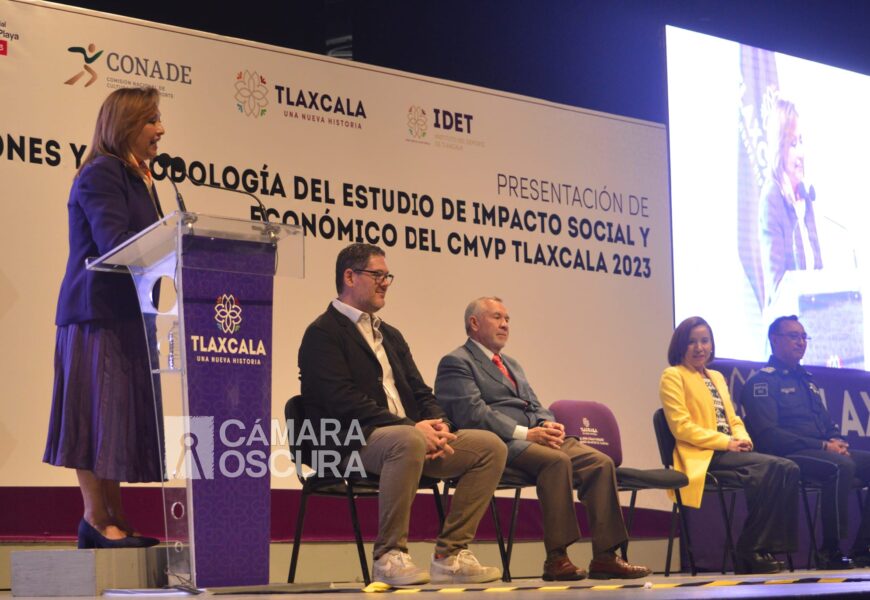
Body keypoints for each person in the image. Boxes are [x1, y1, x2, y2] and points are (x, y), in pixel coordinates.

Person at [297, 244, 506, 586]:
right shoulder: (323, 333)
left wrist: (440, 425)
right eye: (376, 275)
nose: (385, 283)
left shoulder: (390, 335)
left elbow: (420, 391)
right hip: (348, 441)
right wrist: (412, 428)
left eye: (387, 276)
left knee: (490, 447)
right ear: (349, 276)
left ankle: (450, 555)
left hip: (406, 440)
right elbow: (340, 400)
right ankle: (389, 556)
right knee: (407, 440)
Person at [434, 297, 651, 580]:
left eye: (508, 319)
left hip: (535, 436)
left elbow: (534, 403)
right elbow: (472, 414)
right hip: (502, 442)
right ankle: (557, 558)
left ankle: (606, 556)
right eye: (497, 317)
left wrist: (547, 424)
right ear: (474, 323)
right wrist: (527, 433)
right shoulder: (456, 362)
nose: (505, 325)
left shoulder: (511, 363)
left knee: (600, 463)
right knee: (556, 462)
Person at [43, 87, 166, 549]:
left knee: (115, 417)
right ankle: (96, 517)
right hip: (97, 313)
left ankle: (114, 515)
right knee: (96, 414)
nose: (161, 130)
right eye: (152, 120)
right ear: (126, 125)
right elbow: (114, 241)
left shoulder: (139, 178)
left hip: (130, 314)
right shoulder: (100, 173)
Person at [659, 316, 799, 574]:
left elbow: (732, 418)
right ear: (681, 345)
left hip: (730, 450)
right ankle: (750, 550)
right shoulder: (673, 375)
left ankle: (761, 548)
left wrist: (742, 439)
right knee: (772, 468)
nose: (699, 347)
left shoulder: (716, 377)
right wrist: (726, 442)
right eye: (692, 342)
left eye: (704, 341)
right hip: (703, 454)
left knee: (787, 468)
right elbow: (681, 427)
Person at [741, 315, 870, 569]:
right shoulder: (762, 383)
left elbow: (824, 421)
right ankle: (829, 551)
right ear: (774, 340)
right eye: (793, 336)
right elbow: (769, 435)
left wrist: (836, 439)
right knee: (839, 466)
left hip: (821, 450)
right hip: (786, 455)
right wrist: (824, 446)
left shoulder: (806, 380)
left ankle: (863, 548)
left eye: (803, 337)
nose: (801, 342)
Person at [760, 97, 822, 304]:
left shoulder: (805, 195)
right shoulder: (772, 196)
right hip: (785, 328)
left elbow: (817, 267)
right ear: (779, 147)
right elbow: (776, 282)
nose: (801, 153)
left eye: (801, 141)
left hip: (813, 321)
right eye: (793, 144)